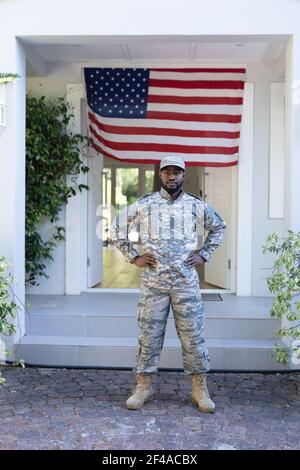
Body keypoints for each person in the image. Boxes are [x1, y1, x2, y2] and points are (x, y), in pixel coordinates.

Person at [109, 156, 226, 413]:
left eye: (176, 172)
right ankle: (143, 386)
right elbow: (116, 230)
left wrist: (203, 254)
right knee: (148, 337)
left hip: (186, 283)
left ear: (184, 175)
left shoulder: (197, 206)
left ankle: (199, 388)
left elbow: (219, 228)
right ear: (160, 175)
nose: (171, 177)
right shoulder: (145, 204)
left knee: (193, 337)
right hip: (154, 284)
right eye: (166, 172)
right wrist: (134, 257)